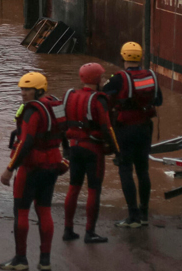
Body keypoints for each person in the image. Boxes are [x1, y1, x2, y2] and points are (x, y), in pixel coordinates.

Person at [0, 72, 66, 271]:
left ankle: (21, 260)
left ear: (39, 90)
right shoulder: (57, 105)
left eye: (27, 89)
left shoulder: (31, 111)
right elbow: (65, 131)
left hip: (32, 168)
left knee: (21, 211)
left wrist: (9, 169)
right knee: (44, 209)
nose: (23, 93)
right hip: (52, 165)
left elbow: (25, 143)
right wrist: (67, 157)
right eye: (22, 89)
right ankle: (45, 261)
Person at [103, 41, 162, 228]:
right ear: (141, 57)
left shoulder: (119, 79)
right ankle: (144, 214)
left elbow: (101, 98)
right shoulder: (151, 76)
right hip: (145, 128)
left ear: (122, 57)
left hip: (125, 129)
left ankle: (133, 216)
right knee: (143, 170)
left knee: (125, 169)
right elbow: (158, 100)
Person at [62, 62, 120, 244]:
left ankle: (68, 229)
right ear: (95, 79)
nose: (104, 80)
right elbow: (107, 127)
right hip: (93, 150)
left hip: (74, 147)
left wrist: (66, 149)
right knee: (94, 190)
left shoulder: (70, 96)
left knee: (73, 187)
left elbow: (62, 124)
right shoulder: (99, 99)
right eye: (102, 77)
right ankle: (90, 232)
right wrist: (117, 151)